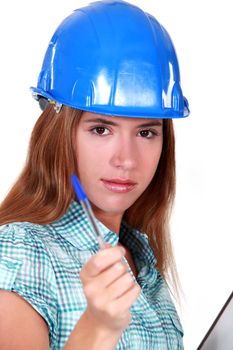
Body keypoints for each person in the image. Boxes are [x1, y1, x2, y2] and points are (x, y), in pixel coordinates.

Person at [0, 1, 190, 349]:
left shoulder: (144, 264)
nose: (126, 159)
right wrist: (98, 329)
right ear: (59, 133)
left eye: (146, 133)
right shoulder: (20, 253)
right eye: (101, 129)